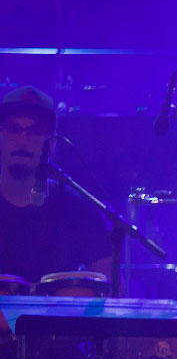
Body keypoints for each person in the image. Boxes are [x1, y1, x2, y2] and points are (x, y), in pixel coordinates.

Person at [0, 86, 110, 285]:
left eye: (35, 131)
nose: (23, 140)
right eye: (13, 129)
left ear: (51, 143)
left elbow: (112, 289)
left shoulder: (76, 208)